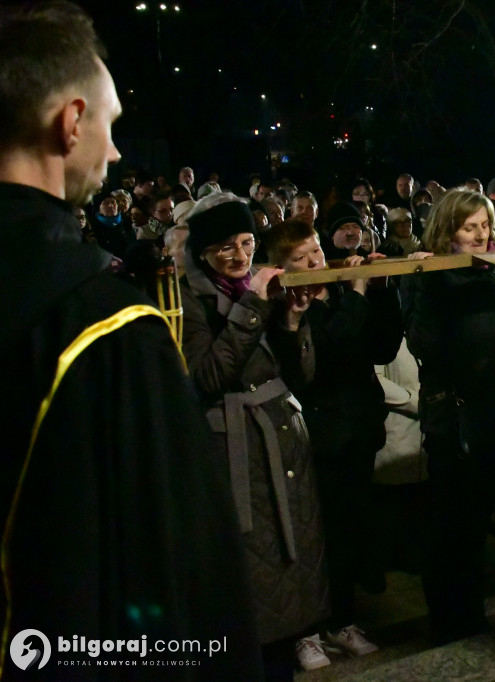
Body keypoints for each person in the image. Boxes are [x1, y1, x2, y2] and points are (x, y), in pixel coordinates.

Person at [0, 2, 261, 679]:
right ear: (71, 122)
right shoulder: (108, 328)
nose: (116, 152)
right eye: (110, 125)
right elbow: (180, 573)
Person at [179, 193, 329, 678]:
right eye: (225, 247)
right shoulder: (189, 298)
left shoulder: (265, 284)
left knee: (293, 565)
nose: (240, 256)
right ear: (203, 252)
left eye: (246, 242)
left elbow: (300, 376)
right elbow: (207, 376)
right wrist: (251, 307)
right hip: (236, 447)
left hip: (284, 440)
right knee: (252, 576)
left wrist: (293, 320)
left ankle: (294, 647)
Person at [401, 188, 495, 645]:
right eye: (470, 227)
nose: (481, 235)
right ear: (448, 231)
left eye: (485, 225)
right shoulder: (428, 277)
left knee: (477, 524)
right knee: (448, 526)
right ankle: (448, 621)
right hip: (454, 421)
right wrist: (430, 281)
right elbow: (426, 345)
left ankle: (472, 615)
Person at [264, 219, 403, 661]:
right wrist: (359, 294)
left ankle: (342, 619)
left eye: (316, 252)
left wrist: (380, 290)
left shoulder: (343, 294)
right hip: (318, 437)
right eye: (301, 258)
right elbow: (327, 352)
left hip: (358, 430)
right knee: (312, 537)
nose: (314, 262)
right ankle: (305, 629)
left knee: (349, 532)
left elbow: (382, 347)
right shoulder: (287, 307)